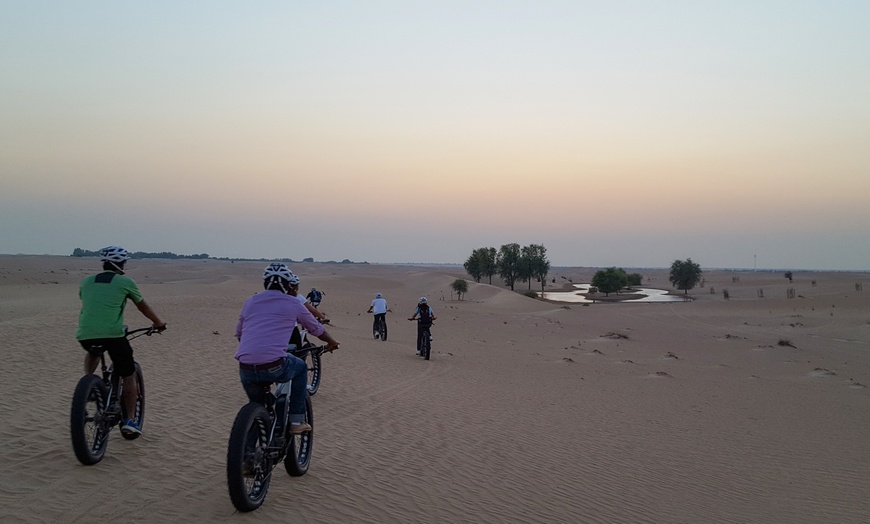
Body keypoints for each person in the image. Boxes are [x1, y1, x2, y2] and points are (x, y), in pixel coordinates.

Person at [235, 263, 339, 434]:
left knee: (259, 407)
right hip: (275, 364)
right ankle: (296, 420)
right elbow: (316, 329)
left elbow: (240, 334)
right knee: (301, 368)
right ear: (288, 284)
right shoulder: (292, 302)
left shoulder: (250, 302)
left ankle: (252, 447)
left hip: (245, 366)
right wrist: (332, 342)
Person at [76, 246, 166, 438]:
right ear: (121, 264)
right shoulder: (126, 282)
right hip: (113, 335)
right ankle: (130, 420)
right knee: (128, 373)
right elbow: (142, 306)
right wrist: (157, 323)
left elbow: (89, 303)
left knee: (93, 350)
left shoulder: (86, 281)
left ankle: (88, 384)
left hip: (85, 334)